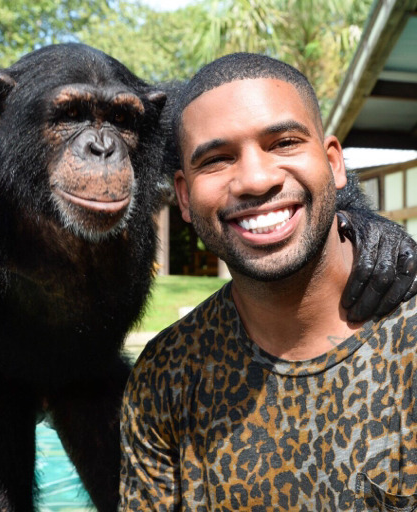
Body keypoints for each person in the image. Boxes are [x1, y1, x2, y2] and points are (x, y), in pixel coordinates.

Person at [119, 53, 417, 511]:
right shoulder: (164, 380)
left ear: (335, 164)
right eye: (217, 160)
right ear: (182, 195)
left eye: (283, 143)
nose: (256, 180)